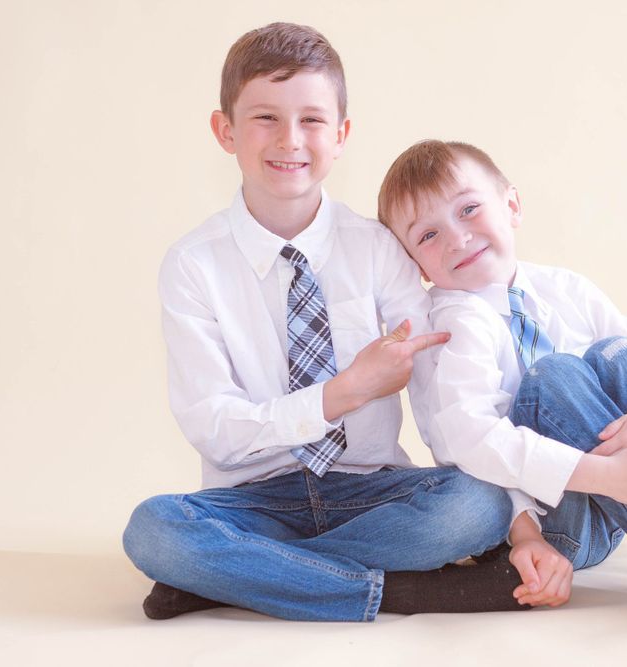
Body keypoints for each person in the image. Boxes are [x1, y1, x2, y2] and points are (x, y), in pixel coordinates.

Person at [122, 25, 527, 623]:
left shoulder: (376, 248)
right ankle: (400, 591)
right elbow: (214, 428)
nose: (290, 139)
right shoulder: (193, 265)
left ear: (340, 136)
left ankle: (235, 578)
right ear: (225, 130)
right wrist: (344, 392)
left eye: (311, 120)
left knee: (477, 505)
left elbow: (442, 390)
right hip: (253, 499)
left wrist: (519, 518)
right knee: (155, 529)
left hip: (370, 489)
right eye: (265, 117)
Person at [377, 139, 627, 607]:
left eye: (468, 209)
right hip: (547, 526)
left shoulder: (565, 288)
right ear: (416, 265)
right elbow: (467, 442)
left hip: (619, 517)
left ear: (512, 206)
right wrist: (597, 480)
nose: (457, 239)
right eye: (428, 236)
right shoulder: (449, 326)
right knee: (553, 375)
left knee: (623, 356)